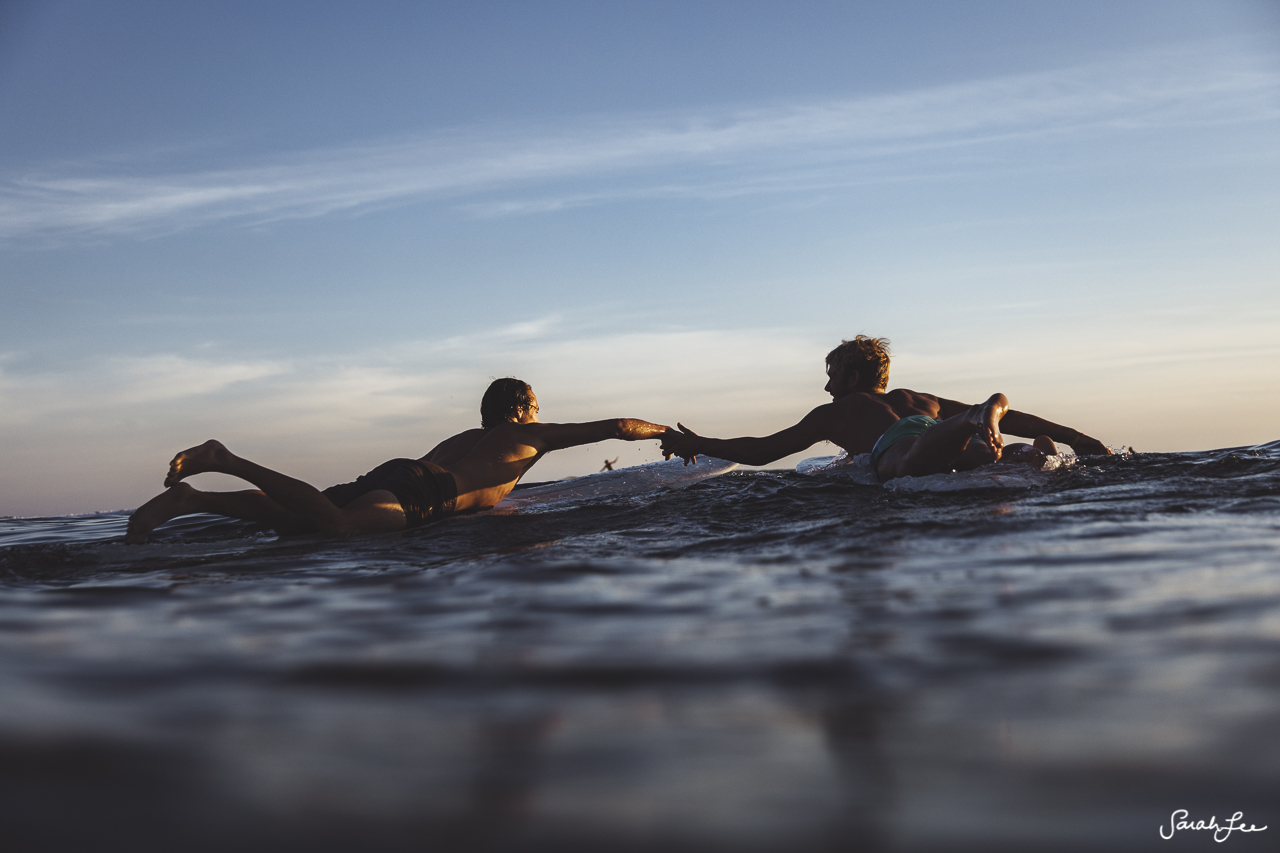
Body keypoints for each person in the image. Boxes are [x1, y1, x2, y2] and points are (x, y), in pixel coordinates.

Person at [125, 378, 672, 543]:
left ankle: (192, 500)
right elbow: (618, 427)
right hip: (425, 490)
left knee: (299, 518)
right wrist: (672, 434)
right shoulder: (531, 435)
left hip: (402, 470)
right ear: (526, 409)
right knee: (339, 526)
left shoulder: (467, 436)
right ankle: (227, 459)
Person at [660, 336, 1111, 480]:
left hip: (906, 444)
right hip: (944, 429)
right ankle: (1025, 447)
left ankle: (977, 417)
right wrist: (1080, 438)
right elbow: (1017, 419)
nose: (826, 385)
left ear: (852, 379)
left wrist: (697, 442)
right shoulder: (918, 399)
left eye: (832, 374)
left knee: (909, 461)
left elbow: (762, 450)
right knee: (990, 453)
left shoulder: (839, 411)